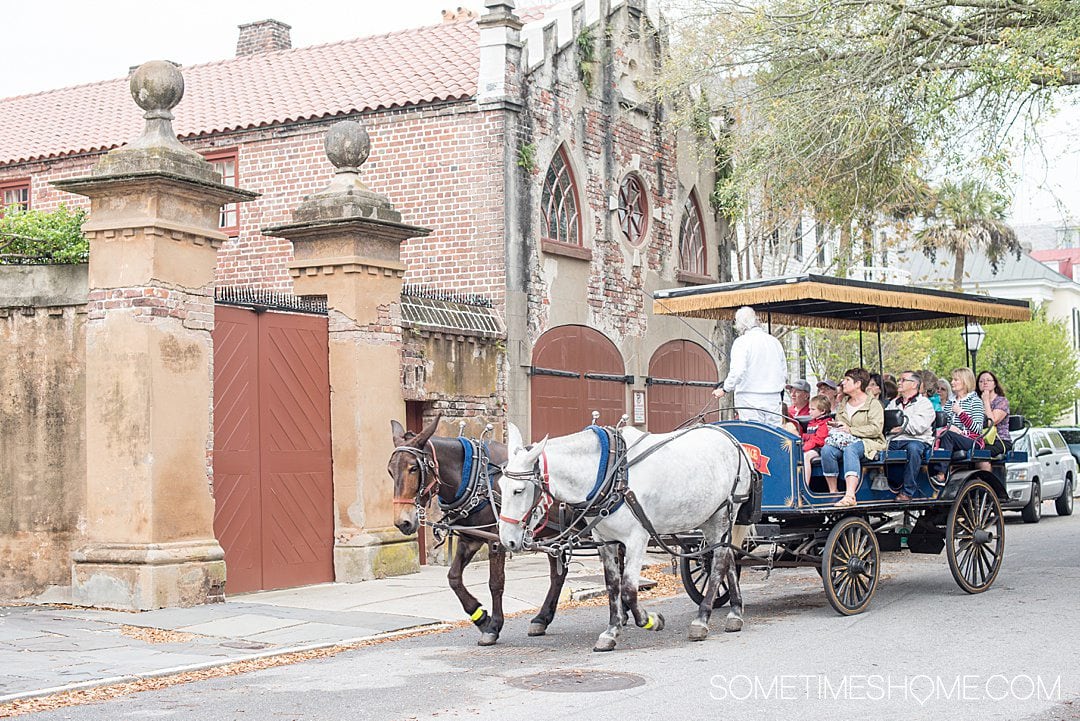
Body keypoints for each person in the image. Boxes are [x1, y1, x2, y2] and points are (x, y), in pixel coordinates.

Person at [819, 368, 886, 507]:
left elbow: (875, 429)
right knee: (827, 450)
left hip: (870, 442)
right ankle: (833, 492)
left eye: (847, 380)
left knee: (851, 449)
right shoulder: (844, 403)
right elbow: (841, 423)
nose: (843, 382)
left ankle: (850, 495)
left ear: (858, 384)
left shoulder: (873, 404)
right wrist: (836, 427)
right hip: (846, 440)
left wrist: (851, 430)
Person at [712, 306, 787, 426]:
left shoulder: (742, 342)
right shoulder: (774, 342)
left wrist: (725, 389)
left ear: (740, 325)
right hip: (773, 397)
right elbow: (784, 372)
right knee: (774, 434)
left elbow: (738, 371)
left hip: (749, 397)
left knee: (753, 435)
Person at [886, 370, 937, 501]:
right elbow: (887, 421)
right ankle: (887, 485)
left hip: (917, 440)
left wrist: (902, 426)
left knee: (913, 448)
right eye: (899, 380)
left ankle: (908, 491)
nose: (899, 383)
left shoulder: (924, 403)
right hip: (894, 440)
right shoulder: (893, 403)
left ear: (914, 384)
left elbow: (920, 425)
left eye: (903, 380)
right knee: (877, 449)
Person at [930, 367, 985, 483]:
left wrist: (960, 413)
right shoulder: (950, 402)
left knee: (947, 435)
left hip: (972, 440)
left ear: (965, 382)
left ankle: (941, 474)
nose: (952, 382)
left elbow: (978, 429)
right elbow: (944, 423)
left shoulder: (975, 401)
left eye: (956, 380)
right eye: (952, 379)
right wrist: (950, 427)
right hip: (951, 437)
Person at [977, 370, 1012, 453]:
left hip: (999, 440)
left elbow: (991, 422)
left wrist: (986, 401)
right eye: (981, 381)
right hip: (980, 439)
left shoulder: (1002, 401)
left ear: (995, 383)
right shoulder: (976, 401)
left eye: (988, 380)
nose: (985, 383)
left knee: (981, 454)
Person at [801, 395, 832, 475]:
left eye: (813, 409)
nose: (809, 411)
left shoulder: (826, 423)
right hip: (811, 446)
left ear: (822, 411)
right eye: (809, 409)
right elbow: (809, 436)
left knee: (806, 456)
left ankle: (805, 484)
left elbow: (819, 440)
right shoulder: (812, 422)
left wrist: (804, 447)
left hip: (820, 448)